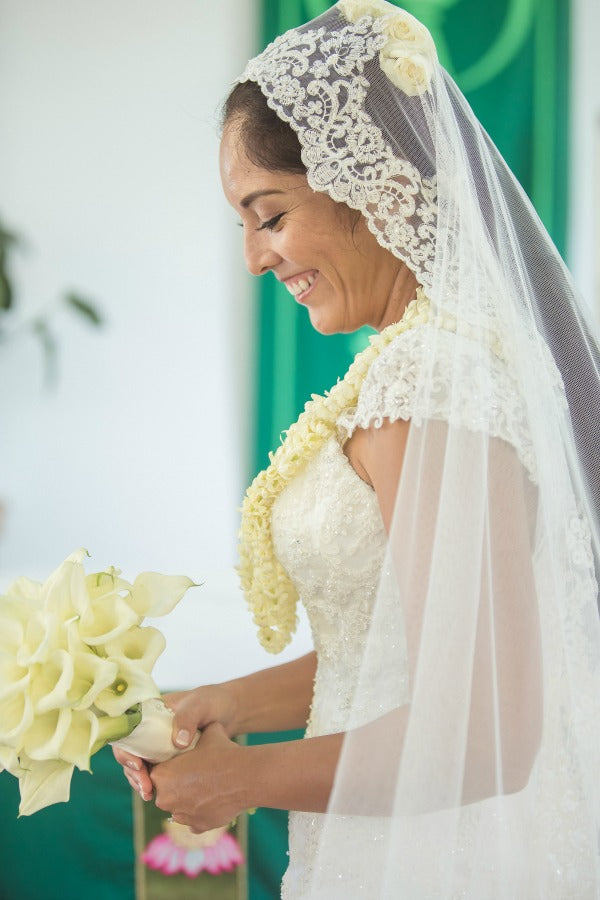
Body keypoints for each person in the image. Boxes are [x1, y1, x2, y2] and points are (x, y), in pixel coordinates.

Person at [114, 2, 600, 896]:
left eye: (271, 215)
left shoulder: (433, 383)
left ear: (366, 181)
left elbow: (486, 729)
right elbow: (403, 653)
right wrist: (233, 702)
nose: (258, 259)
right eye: (243, 226)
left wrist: (246, 778)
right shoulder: (424, 365)